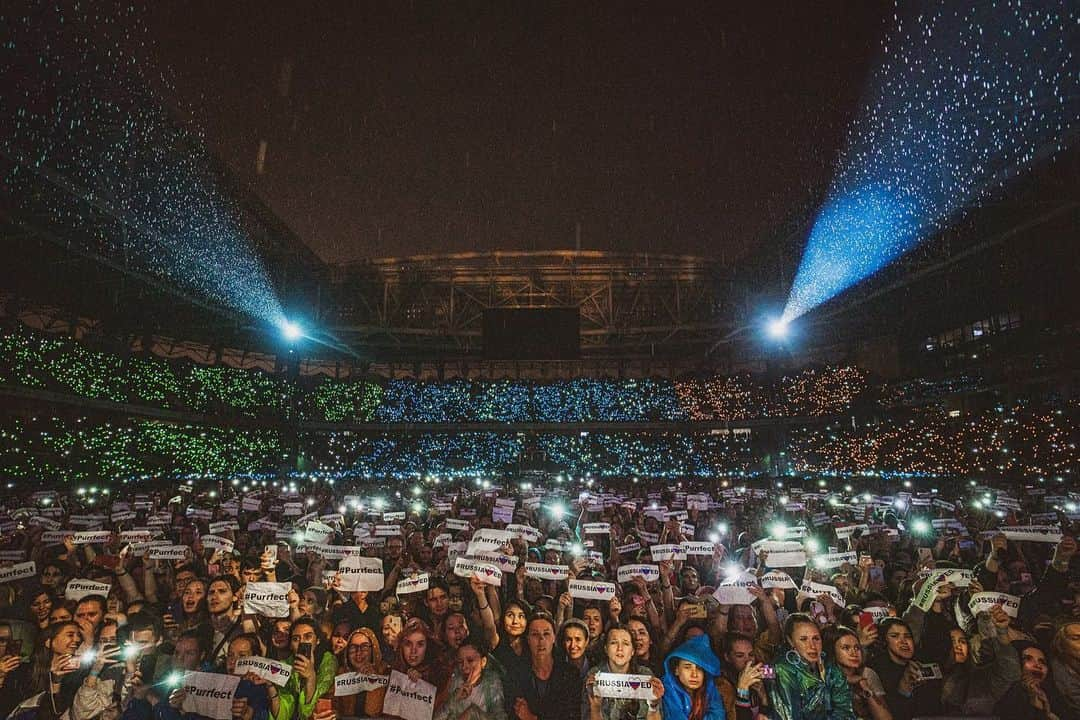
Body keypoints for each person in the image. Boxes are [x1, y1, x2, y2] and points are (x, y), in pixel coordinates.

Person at [769, 613, 854, 720]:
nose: (812, 646)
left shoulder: (829, 665)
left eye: (816, 638)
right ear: (790, 641)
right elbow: (788, 716)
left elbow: (844, 709)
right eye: (803, 639)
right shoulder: (780, 668)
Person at [509, 613, 582, 720]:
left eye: (546, 634)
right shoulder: (516, 674)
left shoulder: (570, 674)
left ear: (554, 638)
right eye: (535, 634)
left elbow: (572, 717)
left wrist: (532, 718)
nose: (541, 640)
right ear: (528, 639)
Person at [582, 625, 663, 720]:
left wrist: (653, 706)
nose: (620, 648)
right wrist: (595, 708)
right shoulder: (595, 676)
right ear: (606, 649)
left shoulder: (645, 675)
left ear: (632, 651)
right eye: (614, 643)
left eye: (625, 643)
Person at [272, 617, 337, 720]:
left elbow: (312, 708)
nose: (302, 642)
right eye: (296, 639)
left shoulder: (328, 660)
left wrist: (311, 677)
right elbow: (283, 712)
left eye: (308, 637)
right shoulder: (285, 666)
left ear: (318, 640)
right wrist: (271, 687)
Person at [435, 635, 507, 720]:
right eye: (460, 662)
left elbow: (500, 717)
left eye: (470, 661)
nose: (464, 666)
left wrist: (473, 713)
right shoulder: (455, 680)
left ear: (483, 662)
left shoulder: (491, 682)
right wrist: (455, 698)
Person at [828, 627, 890, 720]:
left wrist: (865, 687)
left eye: (857, 647)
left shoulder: (867, 673)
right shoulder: (826, 677)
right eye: (846, 648)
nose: (854, 653)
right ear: (833, 652)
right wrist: (844, 681)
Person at [661, 633, 725, 720]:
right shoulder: (666, 689)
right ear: (676, 670)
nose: (694, 674)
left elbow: (718, 716)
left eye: (699, 668)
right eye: (687, 667)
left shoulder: (710, 689)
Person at [333, 627, 387, 718]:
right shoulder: (341, 674)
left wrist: (374, 679)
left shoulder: (386, 673)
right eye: (353, 648)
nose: (358, 653)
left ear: (373, 649)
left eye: (364, 647)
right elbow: (334, 706)